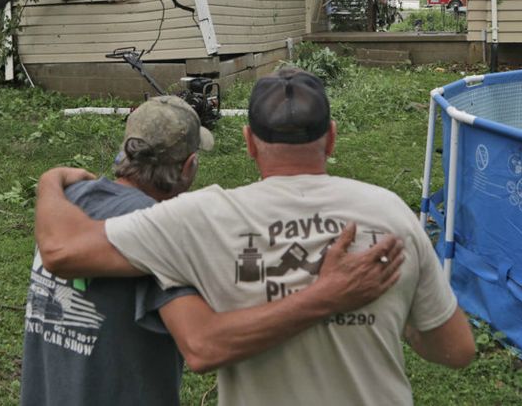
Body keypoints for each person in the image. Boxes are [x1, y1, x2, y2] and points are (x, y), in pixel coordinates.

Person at [35, 70, 475, 406]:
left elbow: (62, 251)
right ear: (332, 137)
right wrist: (395, 316)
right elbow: (456, 349)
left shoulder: (198, 218)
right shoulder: (391, 213)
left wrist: (51, 181)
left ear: (248, 142)